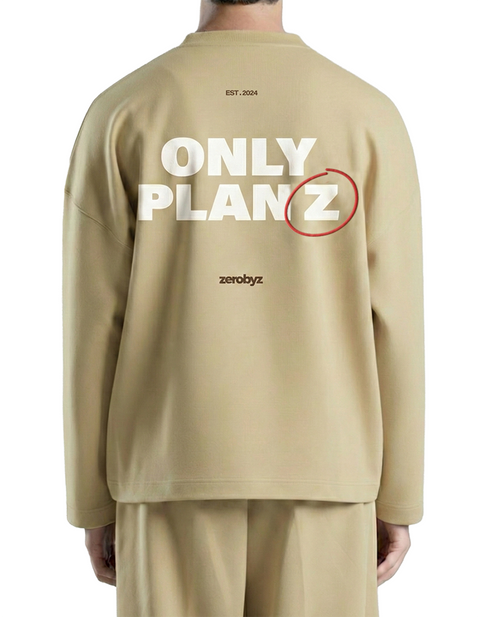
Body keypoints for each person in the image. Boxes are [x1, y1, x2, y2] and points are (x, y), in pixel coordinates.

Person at [62, 0, 425, 614]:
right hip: (327, 470)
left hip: (166, 468)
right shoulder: (367, 114)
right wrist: (400, 493)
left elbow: (92, 322)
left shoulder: (124, 110)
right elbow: (398, 320)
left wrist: (90, 498)